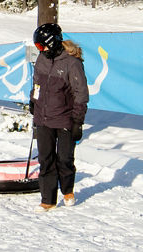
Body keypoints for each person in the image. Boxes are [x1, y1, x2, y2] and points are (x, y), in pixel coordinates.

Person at [30, 22, 88, 211]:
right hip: (43, 118)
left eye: (41, 45)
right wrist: (33, 100)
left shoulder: (72, 63)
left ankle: (68, 190)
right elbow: (37, 82)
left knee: (64, 159)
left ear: (52, 42)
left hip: (65, 118)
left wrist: (78, 122)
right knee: (46, 160)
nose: (40, 49)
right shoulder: (41, 59)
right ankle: (48, 200)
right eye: (38, 47)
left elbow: (81, 94)